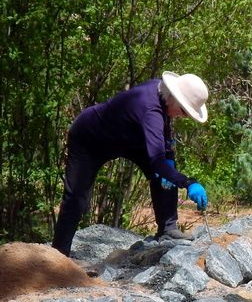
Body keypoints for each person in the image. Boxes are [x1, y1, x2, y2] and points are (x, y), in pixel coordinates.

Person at [51, 72, 209, 256]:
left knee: (166, 171)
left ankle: (168, 229)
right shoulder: (150, 109)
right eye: (183, 111)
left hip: (129, 138)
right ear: (173, 97)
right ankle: (58, 255)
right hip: (90, 138)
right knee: (76, 198)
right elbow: (157, 160)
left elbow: (164, 139)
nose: (182, 116)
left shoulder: (162, 94)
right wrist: (188, 182)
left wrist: (170, 162)